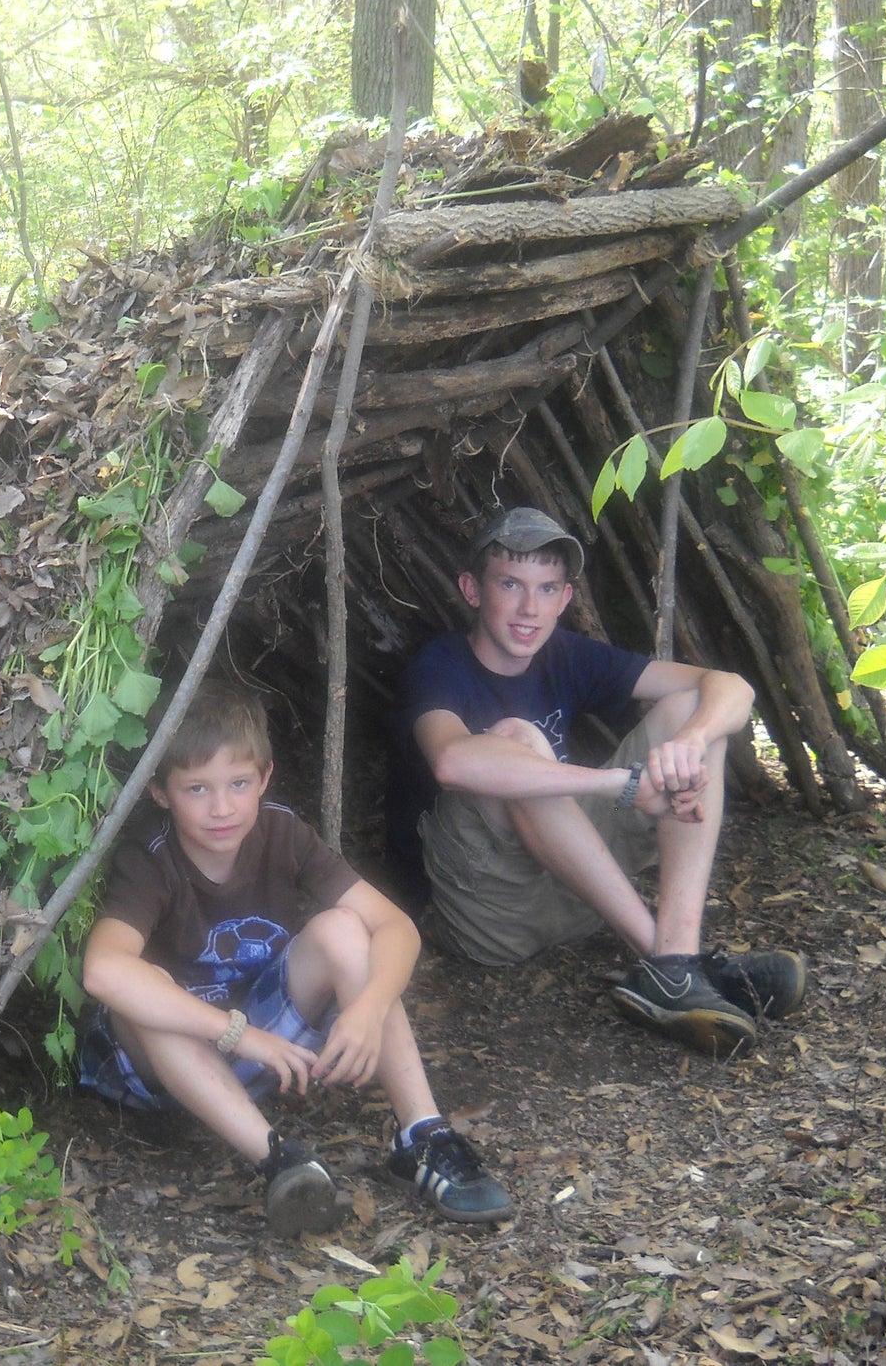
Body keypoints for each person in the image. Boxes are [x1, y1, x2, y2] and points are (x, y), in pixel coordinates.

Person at [78, 682, 513, 1235]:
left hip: (269, 1048)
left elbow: (396, 927)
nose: (222, 808)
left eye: (238, 784)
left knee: (344, 930)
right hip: (170, 1066)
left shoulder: (280, 831)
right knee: (144, 991)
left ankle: (422, 1137)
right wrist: (237, 1034)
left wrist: (368, 1009)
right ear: (161, 793)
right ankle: (280, 1160)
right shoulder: (152, 856)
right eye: (197, 789)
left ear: (265, 778)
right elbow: (103, 970)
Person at [393, 505, 807, 1057]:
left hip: (577, 886)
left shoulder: (565, 654)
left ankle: (676, 963)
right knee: (517, 740)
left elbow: (730, 686)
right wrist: (623, 784)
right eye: (510, 584)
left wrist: (689, 742)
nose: (528, 608)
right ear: (472, 589)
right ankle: (667, 964)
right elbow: (453, 762)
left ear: (566, 599)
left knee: (690, 706)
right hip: (494, 914)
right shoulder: (440, 665)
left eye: (546, 589)